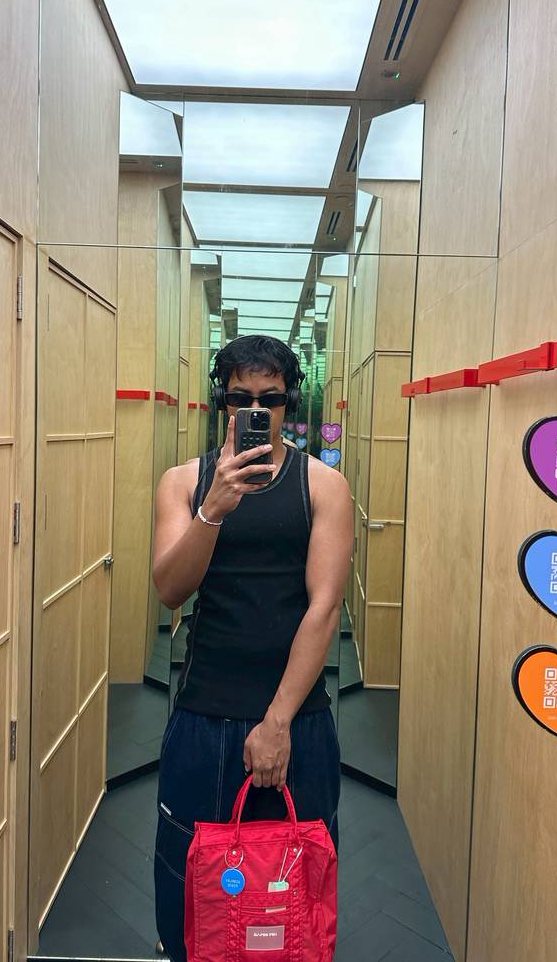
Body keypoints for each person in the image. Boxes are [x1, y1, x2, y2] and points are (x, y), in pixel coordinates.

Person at [151, 334, 353, 962]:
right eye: (242, 398)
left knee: (294, 887)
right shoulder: (184, 482)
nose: (256, 410)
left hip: (297, 719)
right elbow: (170, 589)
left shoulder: (324, 486)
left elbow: (323, 607)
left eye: (270, 398)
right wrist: (213, 510)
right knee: (193, 886)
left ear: (289, 404)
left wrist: (277, 722)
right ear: (223, 403)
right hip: (204, 710)